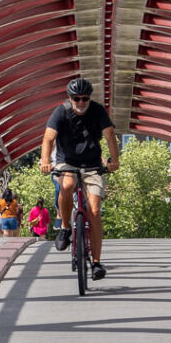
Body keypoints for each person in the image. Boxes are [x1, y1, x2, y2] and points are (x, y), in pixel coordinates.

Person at [40, 76, 119, 280]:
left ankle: (96, 263)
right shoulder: (61, 112)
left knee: (94, 210)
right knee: (66, 184)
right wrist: (44, 161)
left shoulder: (97, 110)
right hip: (67, 160)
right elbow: (48, 138)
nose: (81, 102)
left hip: (92, 164)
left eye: (85, 98)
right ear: (70, 98)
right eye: (77, 99)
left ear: (90, 98)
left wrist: (114, 160)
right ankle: (65, 227)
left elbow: (109, 135)